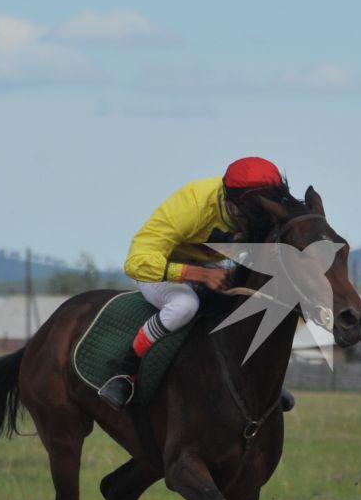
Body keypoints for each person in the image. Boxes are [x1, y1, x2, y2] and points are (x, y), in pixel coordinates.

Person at [98, 156, 296, 411]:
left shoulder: (262, 209)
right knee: (185, 305)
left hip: (213, 267)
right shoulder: (191, 204)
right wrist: (199, 275)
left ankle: (259, 379)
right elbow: (135, 263)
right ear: (232, 204)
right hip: (161, 270)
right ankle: (125, 373)